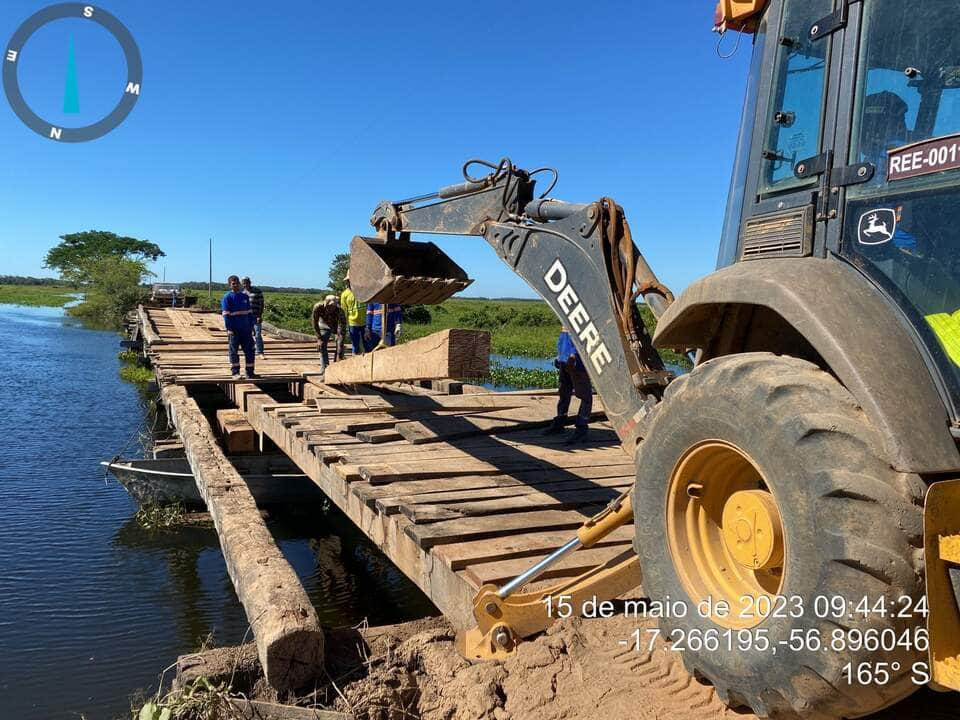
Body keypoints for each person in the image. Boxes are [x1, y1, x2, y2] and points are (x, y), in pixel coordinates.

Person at [544, 327, 592, 444]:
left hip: (576, 361)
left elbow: (585, 334)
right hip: (565, 359)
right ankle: (560, 421)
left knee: (585, 396)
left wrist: (574, 355)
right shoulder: (568, 313)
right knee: (564, 392)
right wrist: (560, 355)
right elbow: (565, 335)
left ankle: (582, 429)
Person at [222, 275, 257, 379]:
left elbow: (250, 313)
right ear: (229, 285)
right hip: (234, 331)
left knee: (250, 350)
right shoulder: (227, 298)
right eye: (233, 283)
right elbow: (226, 315)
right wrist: (229, 329)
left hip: (246, 330)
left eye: (237, 283)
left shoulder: (245, 297)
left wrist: (252, 327)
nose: (236, 285)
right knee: (234, 351)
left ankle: (250, 372)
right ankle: (235, 373)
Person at [312, 295, 345, 371]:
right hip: (323, 324)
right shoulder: (318, 307)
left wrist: (339, 349)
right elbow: (314, 323)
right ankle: (325, 370)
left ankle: (337, 367)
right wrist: (319, 338)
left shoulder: (340, 311)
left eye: (334, 306)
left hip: (336, 326)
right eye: (330, 306)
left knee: (340, 348)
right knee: (322, 345)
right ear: (326, 303)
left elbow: (341, 331)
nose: (332, 308)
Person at [340, 272, 366, 356]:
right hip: (352, 322)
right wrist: (345, 324)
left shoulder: (363, 290)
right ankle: (355, 358)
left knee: (367, 343)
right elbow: (344, 311)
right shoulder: (345, 294)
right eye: (349, 280)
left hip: (365, 322)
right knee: (355, 344)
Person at [242, 276, 265, 357]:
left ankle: (260, 352)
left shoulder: (257, 291)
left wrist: (260, 316)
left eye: (247, 282)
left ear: (250, 282)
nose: (245, 285)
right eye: (244, 283)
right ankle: (250, 350)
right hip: (246, 318)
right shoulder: (242, 293)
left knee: (257, 334)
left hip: (255, 316)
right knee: (247, 334)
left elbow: (261, 304)